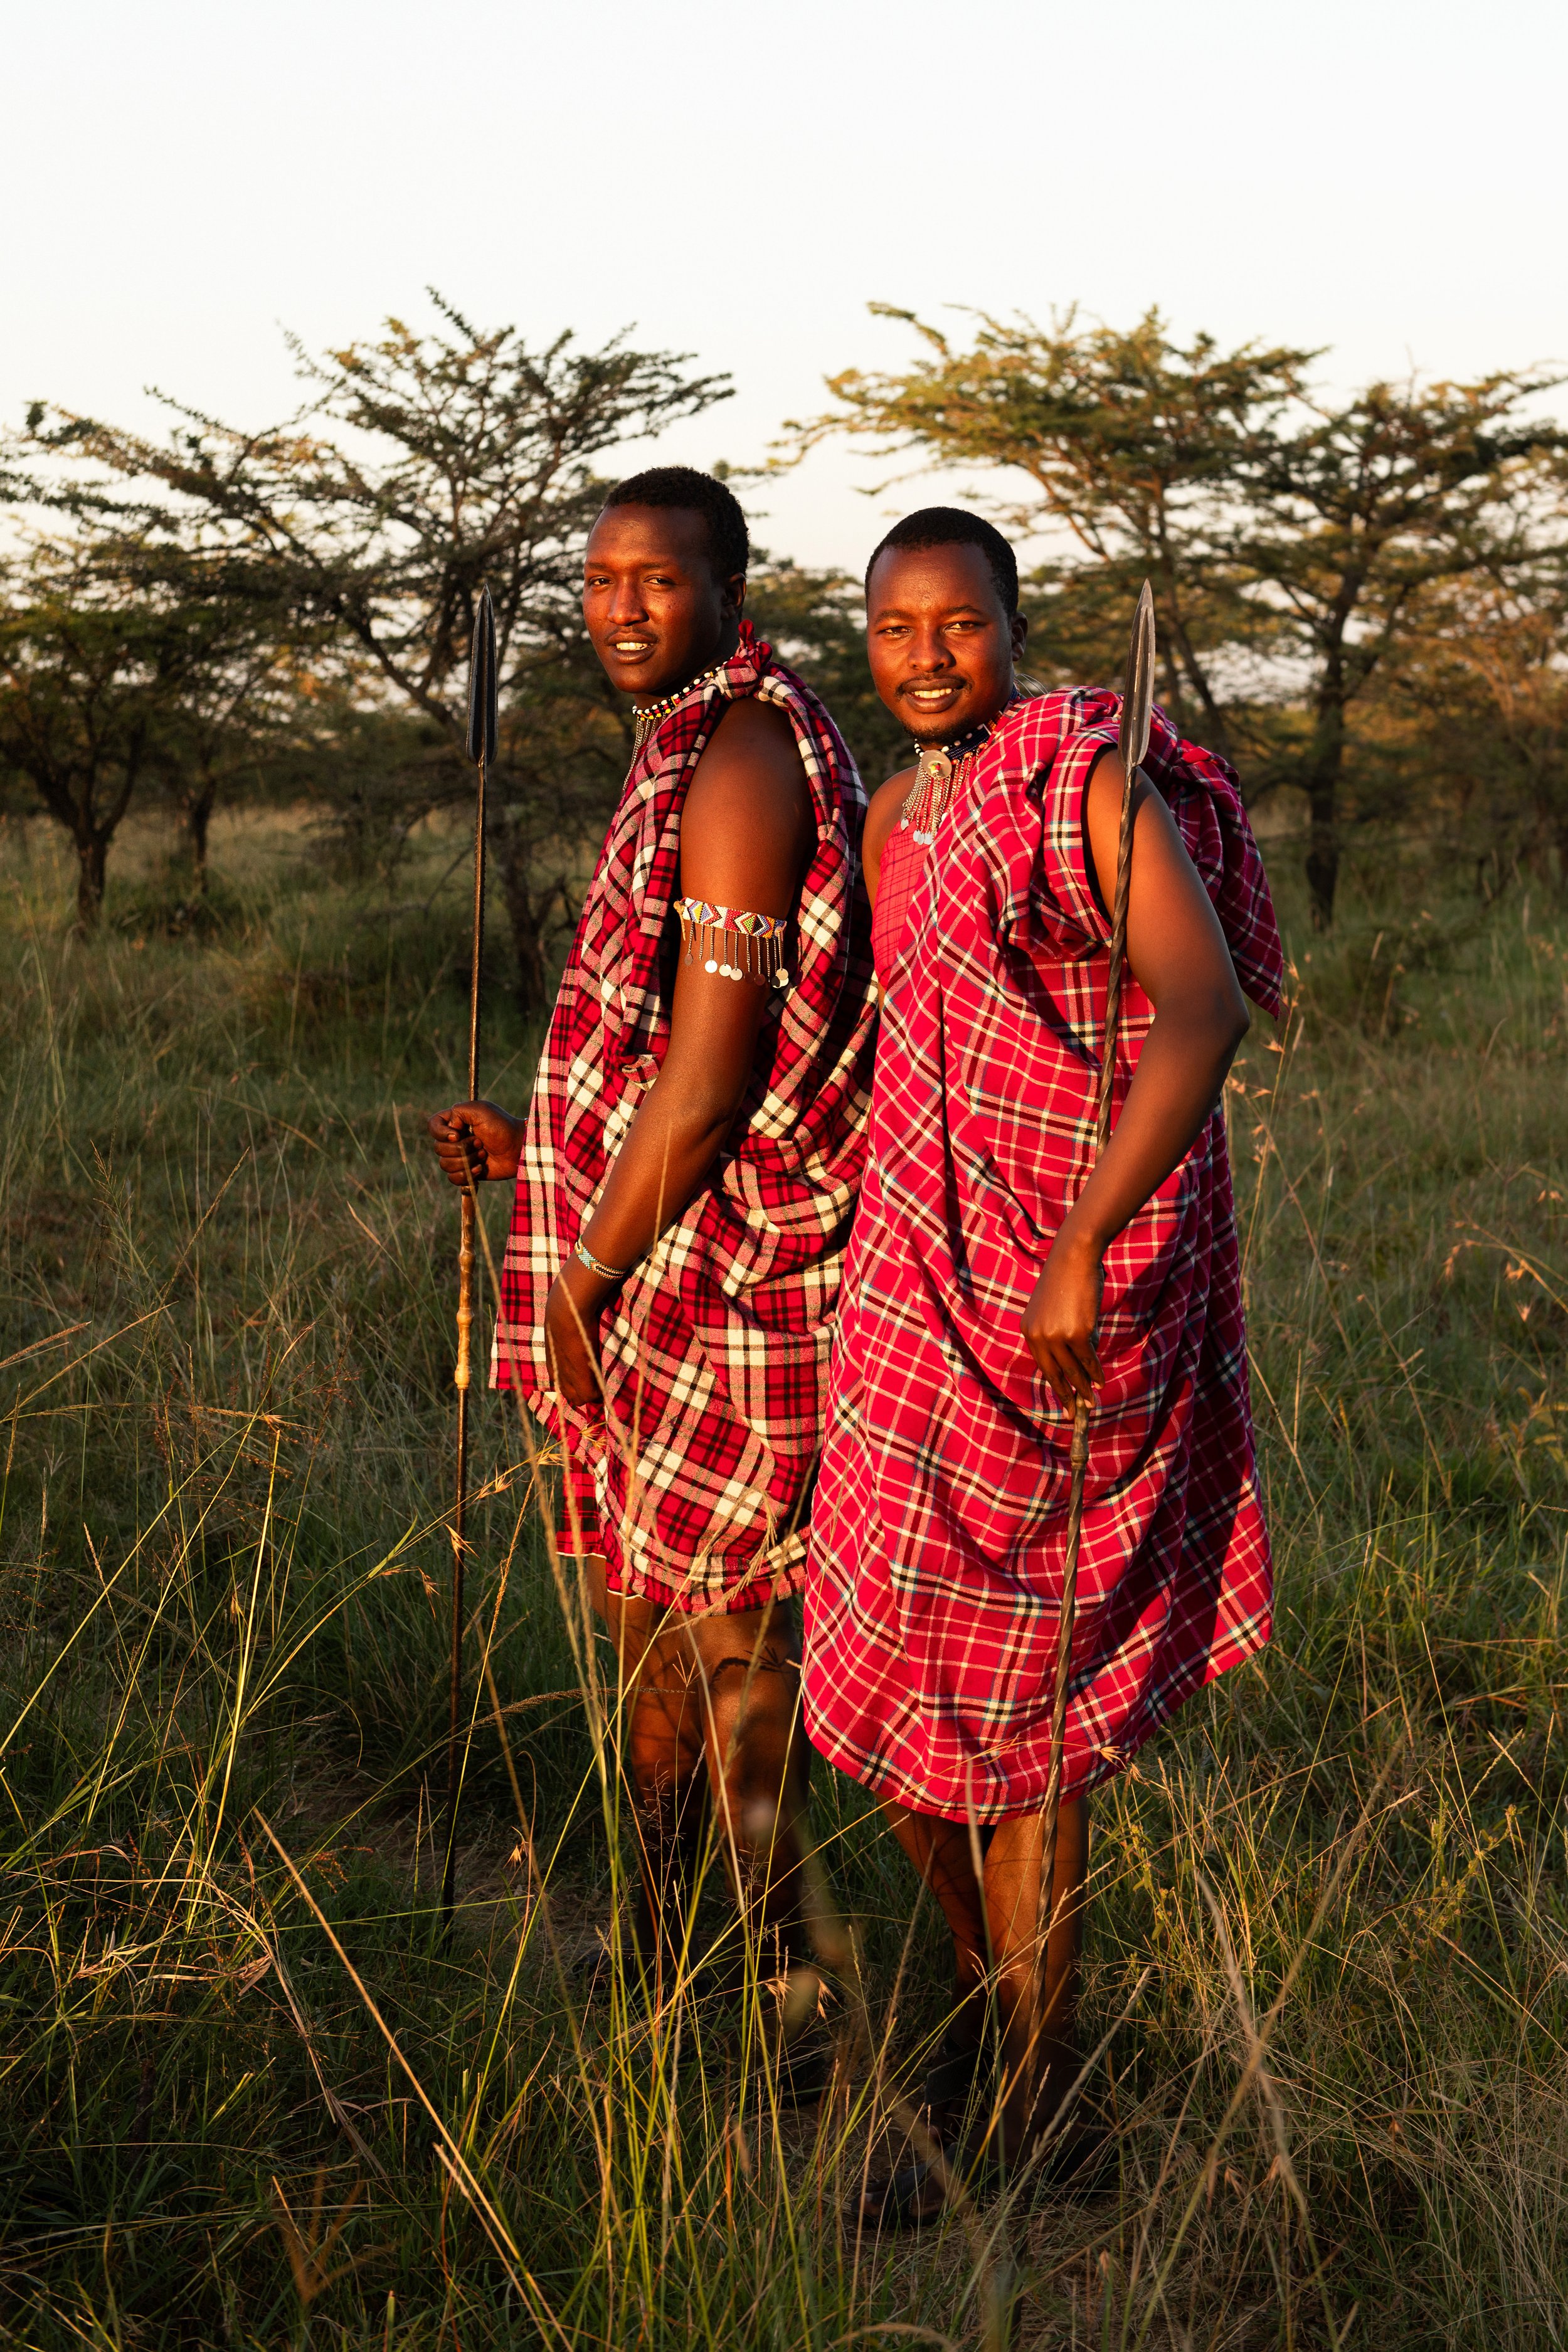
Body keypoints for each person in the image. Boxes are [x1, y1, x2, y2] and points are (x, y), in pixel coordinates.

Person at [802, 509, 1284, 2220]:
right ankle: (993, 1997)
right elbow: (901, 1041)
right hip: (914, 1290)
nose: (926, 655)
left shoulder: (1083, 784)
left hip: (1071, 1291)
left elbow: (1201, 1007)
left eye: (959, 624)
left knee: (1029, 1716)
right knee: (879, 1685)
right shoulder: (890, 815)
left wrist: (1078, 1241)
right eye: (893, 628)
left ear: (1014, 626)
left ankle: (1028, 2085)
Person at [429, 467, 876, 2038]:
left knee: (732, 1657)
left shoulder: (747, 756)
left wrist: (582, 1271)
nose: (622, 606)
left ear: (727, 593)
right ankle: (669, 1952)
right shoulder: (685, 742)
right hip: (652, 1254)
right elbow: (653, 1049)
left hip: (730, 1278)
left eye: (659, 581)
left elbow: (712, 1081)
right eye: (601, 578)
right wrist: (539, 1143)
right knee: (652, 1651)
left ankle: (785, 2011)